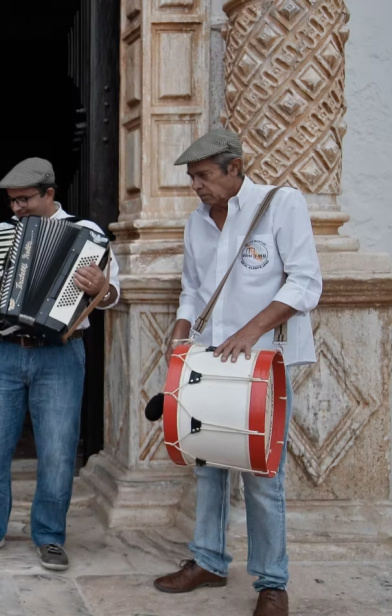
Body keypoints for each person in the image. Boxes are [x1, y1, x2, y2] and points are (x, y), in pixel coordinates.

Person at [152, 128, 322, 616]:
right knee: (207, 464)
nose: (196, 186)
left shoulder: (281, 205)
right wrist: (181, 330)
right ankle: (208, 560)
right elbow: (192, 289)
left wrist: (251, 331)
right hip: (208, 362)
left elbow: (305, 282)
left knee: (263, 477)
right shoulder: (197, 222)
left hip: (265, 364)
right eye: (192, 177)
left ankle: (272, 583)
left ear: (235, 168)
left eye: (204, 175)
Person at [0, 157, 120, 570]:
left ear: (49, 193)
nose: (17, 209)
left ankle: (49, 536)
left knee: (58, 451)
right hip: (4, 351)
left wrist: (102, 287)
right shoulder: (2, 233)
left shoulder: (87, 235)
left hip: (60, 356)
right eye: (12, 201)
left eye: (24, 200)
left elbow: (113, 296)